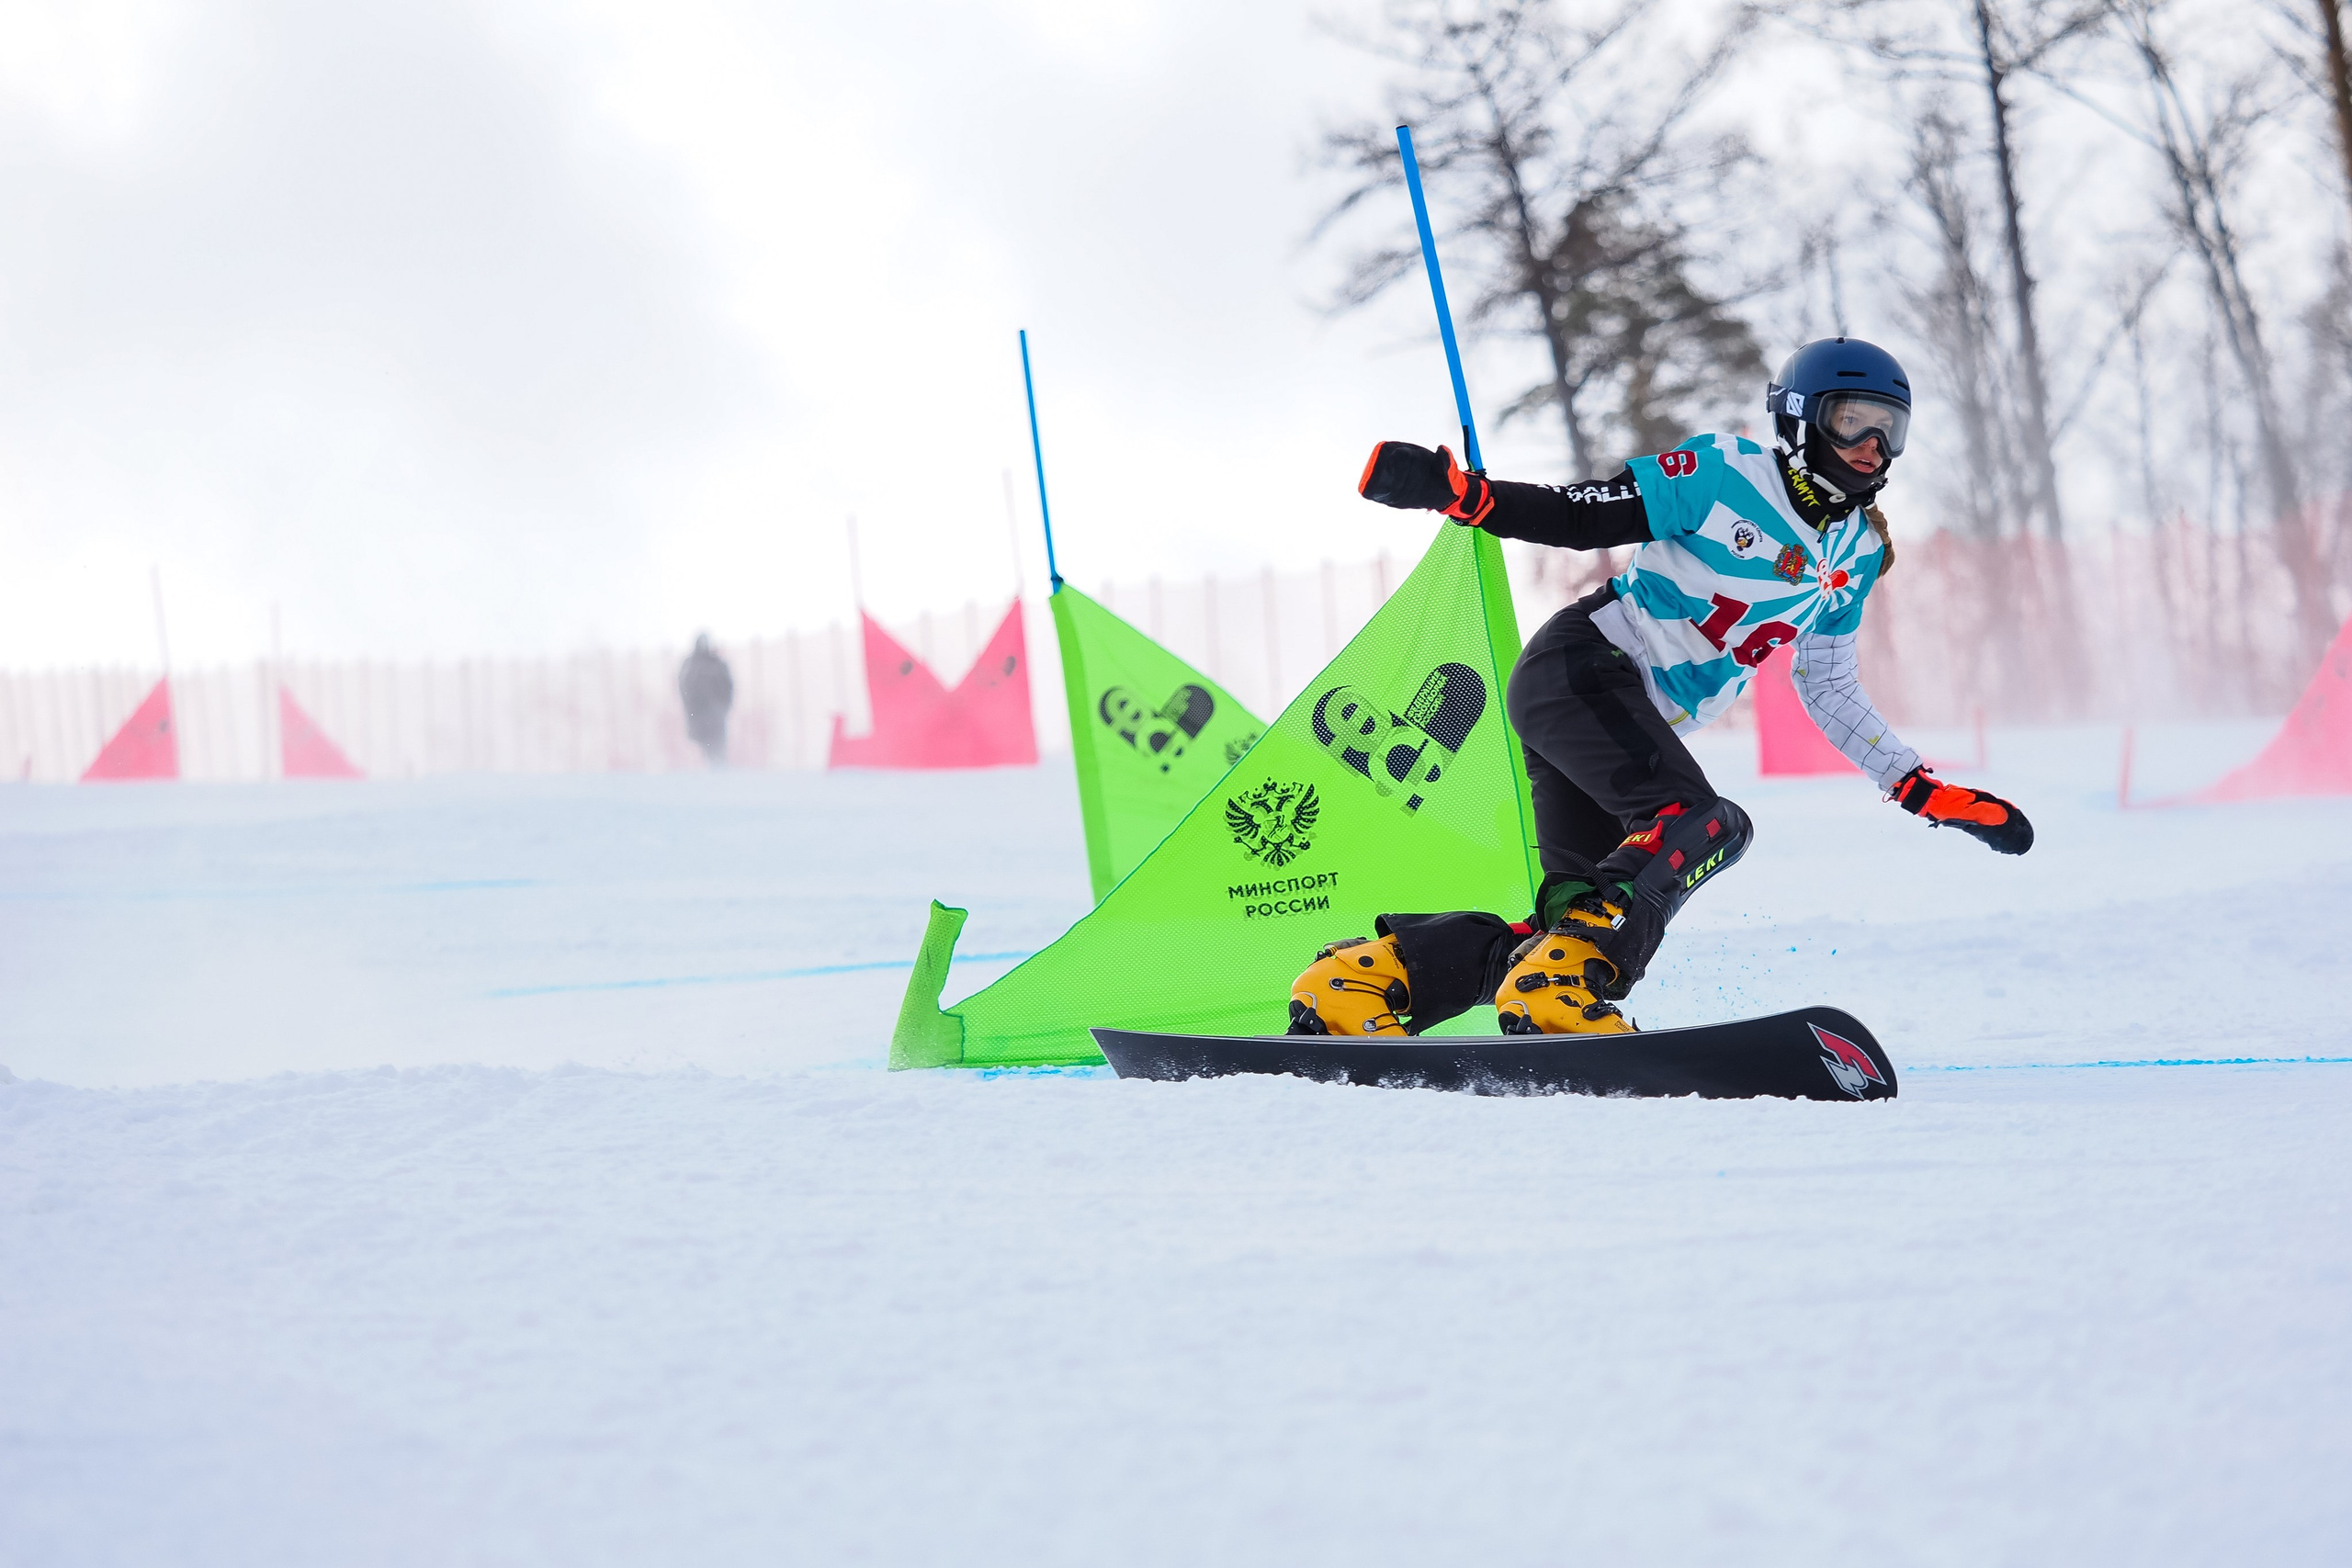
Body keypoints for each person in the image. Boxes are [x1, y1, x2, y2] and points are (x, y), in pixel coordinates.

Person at [1289, 336, 2033, 1039]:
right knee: (1706, 821)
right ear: (1802, 421)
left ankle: (1372, 978)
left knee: (1574, 920)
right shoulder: (1726, 474)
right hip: (1581, 668)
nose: (1872, 448)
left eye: (1889, 430)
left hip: (1617, 718)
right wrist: (1465, 494)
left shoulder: (1858, 552)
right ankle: (1555, 993)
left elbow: (1829, 685)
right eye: (1852, 423)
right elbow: (1587, 513)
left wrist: (1918, 788)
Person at [678, 633, 734, 767]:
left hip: (715, 713)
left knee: (717, 747)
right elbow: (684, 687)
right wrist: (692, 708)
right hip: (699, 714)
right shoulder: (691, 664)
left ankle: (719, 770)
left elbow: (728, 687)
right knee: (704, 747)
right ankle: (708, 772)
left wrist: (723, 706)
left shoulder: (716, 664)